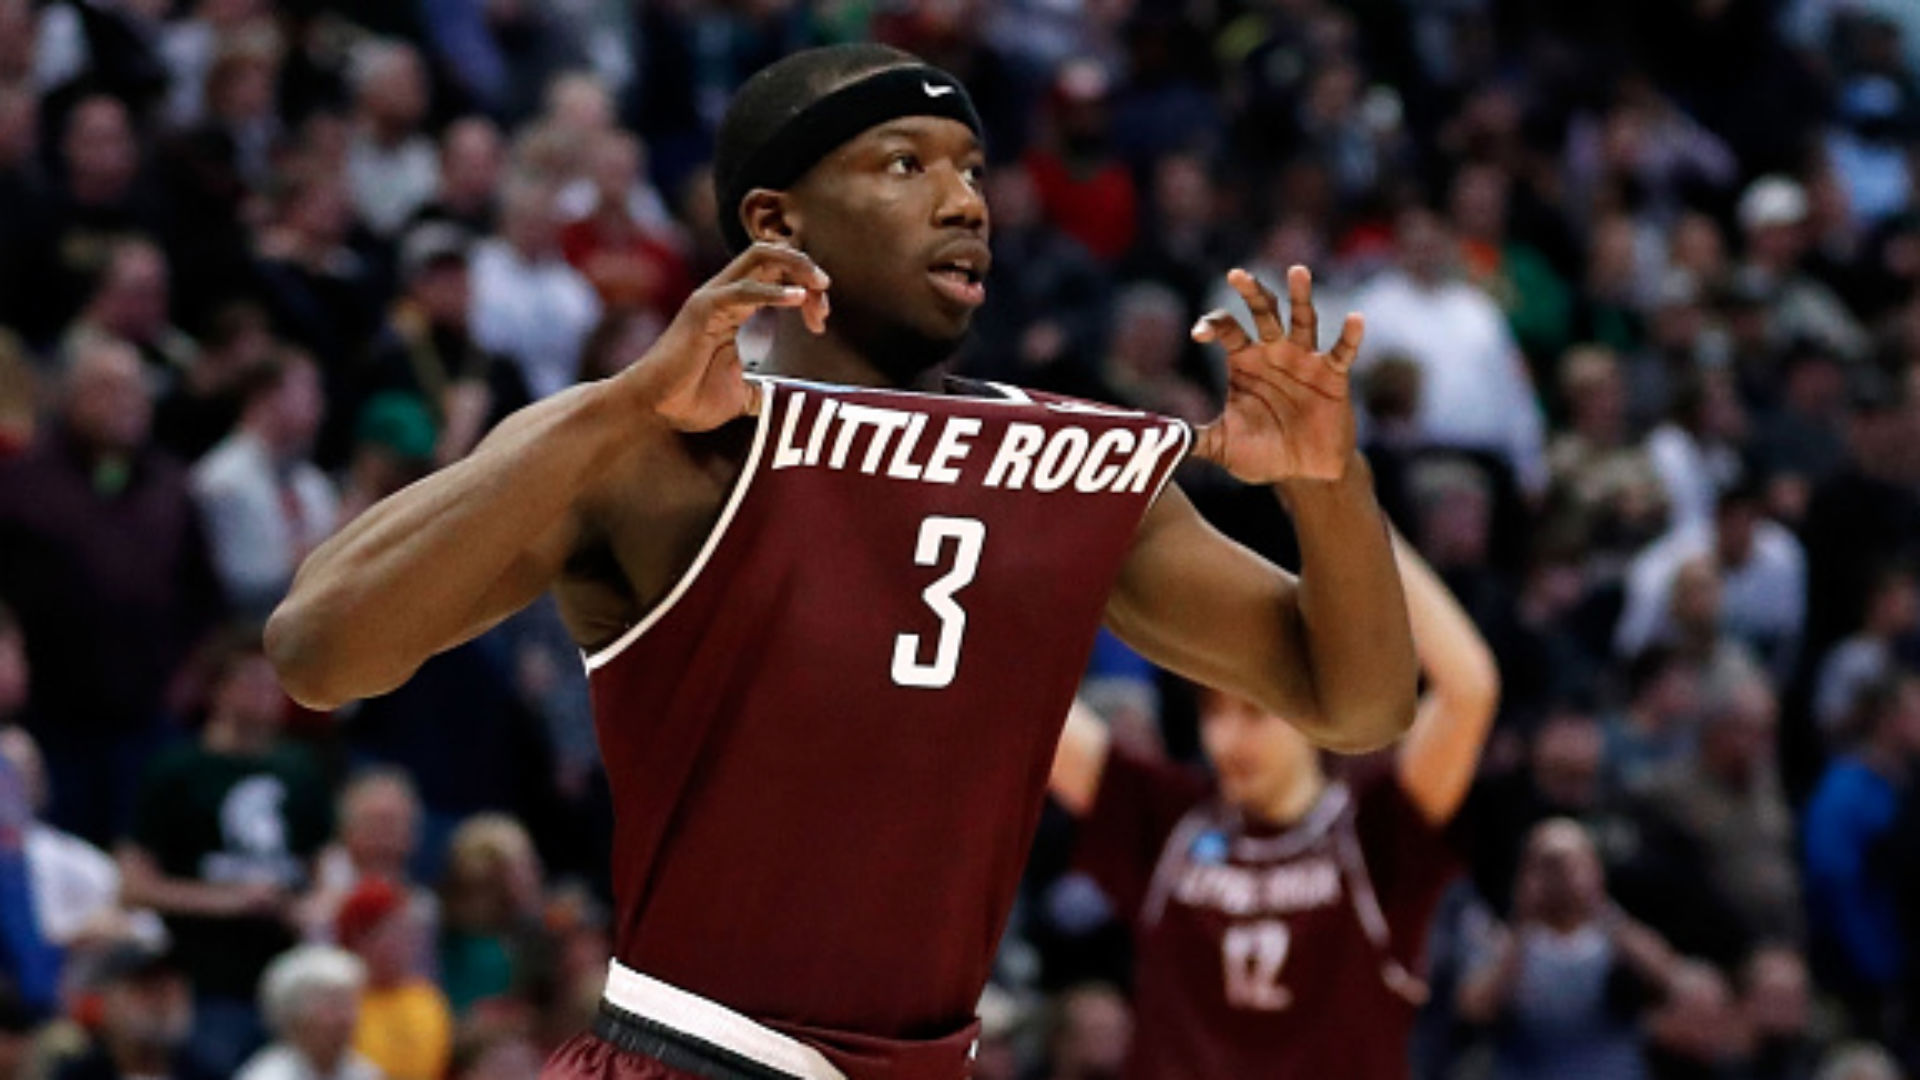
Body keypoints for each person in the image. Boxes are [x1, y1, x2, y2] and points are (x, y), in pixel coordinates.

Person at [268, 43, 1418, 1080]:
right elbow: (319, 649)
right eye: (904, 165)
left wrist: (1332, 488)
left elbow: (1357, 704)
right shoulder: (656, 446)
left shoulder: (1070, 467)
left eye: (970, 167)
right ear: (779, 220)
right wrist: (615, 405)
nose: (964, 200)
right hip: (693, 1052)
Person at [1048, 538, 1498, 1078]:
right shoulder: (1167, 820)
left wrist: (1343, 508)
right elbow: (1030, 713)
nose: (1226, 738)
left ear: (1313, 711)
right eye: (1212, 712)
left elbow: (1469, 688)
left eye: (1253, 714)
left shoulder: (1373, 832)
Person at [118, 631, 334, 1076]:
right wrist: (229, 901)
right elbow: (134, 885)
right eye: (253, 681)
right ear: (217, 689)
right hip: (205, 979)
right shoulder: (176, 769)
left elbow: (327, 873)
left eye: (275, 683)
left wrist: (309, 908)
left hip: (286, 977)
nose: (267, 695)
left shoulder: (300, 769)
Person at [235, 945, 380, 1080]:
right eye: (332, 1007)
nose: (346, 1019)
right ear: (295, 1018)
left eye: (349, 1005)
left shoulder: (363, 1073)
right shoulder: (267, 1075)